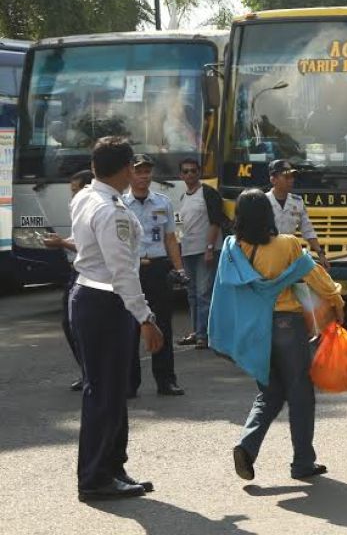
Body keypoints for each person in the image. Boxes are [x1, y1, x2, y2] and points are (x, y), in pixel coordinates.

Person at [210, 189, 344, 481]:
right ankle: (302, 462)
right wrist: (337, 301)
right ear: (269, 215)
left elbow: (223, 293)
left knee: (270, 392)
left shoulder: (232, 248)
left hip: (252, 329)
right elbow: (316, 278)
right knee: (300, 393)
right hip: (286, 325)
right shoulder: (288, 245)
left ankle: (247, 446)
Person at [69, 137, 164, 501]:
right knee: (105, 393)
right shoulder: (112, 210)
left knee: (111, 389)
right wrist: (145, 317)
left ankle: (111, 466)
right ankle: (95, 477)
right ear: (126, 169)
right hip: (106, 301)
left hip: (92, 297)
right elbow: (122, 271)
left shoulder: (87, 197)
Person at [123, 154, 186, 397]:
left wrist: (179, 269)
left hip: (159, 268)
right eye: (139, 171)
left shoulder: (163, 202)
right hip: (131, 270)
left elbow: (171, 238)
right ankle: (129, 383)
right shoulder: (120, 204)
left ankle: (166, 380)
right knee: (130, 326)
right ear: (130, 174)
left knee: (162, 326)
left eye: (147, 172)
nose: (143, 176)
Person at [45, 169, 93, 391]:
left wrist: (62, 243)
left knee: (82, 325)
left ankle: (94, 374)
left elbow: (87, 246)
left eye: (75, 191)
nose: (72, 196)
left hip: (90, 275)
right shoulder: (79, 209)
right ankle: (87, 371)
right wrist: (62, 240)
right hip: (75, 271)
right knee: (70, 323)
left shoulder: (96, 210)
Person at [175, 157, 225, 350]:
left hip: (205, 251)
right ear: (181, 175)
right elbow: (180, 228)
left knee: (204, 293)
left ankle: (205, 335)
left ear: (199, 173)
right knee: (192, 294)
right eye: (186, 171)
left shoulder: (208, 193)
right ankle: (196, 331)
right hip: (187, 251)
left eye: (193, 171)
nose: (190, 174)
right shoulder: (183, 198)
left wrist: (210, 248)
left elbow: (215, 222)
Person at [267, 160, 327, 268]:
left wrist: (320, 253)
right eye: (286, 177)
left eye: (292, 177)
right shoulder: (262, 201)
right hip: (267, 256)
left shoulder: (297, 202)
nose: (291, 180)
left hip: (289, 256)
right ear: (273, 180)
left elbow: (307, 229)